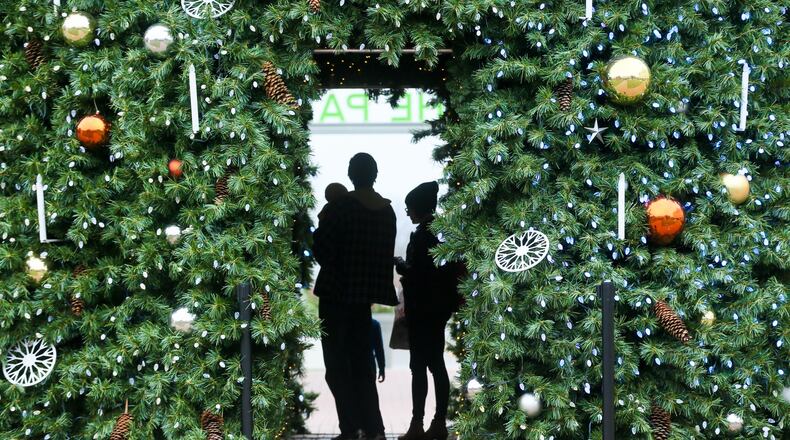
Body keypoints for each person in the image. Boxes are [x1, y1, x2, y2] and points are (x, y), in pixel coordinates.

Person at [313, 153, 398, 440]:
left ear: (351, 175)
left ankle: (350, 428)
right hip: (363, 299)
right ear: (375, 174)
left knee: (337, 367)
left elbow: (323, 252)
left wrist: (321, 222)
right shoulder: (387, 211)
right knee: (363, 365)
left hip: (336, 296)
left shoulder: (342, 208)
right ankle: (374, 428)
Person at [395, 181, 458, 440]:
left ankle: (418, 424)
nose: (408, 212)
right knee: (437, 365)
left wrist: (401, 266)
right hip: (438, 310)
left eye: (410, 208)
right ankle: (438, 422)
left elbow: (419, 274)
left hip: (422, 312)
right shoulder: (442, 233)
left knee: (419, 368)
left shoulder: (422, 236)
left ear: (419, 208)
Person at [371, 317, 386, 383]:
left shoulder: (346, 324)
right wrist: (381, 368)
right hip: (369, 363)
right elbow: (379, 348)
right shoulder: (374, 324)